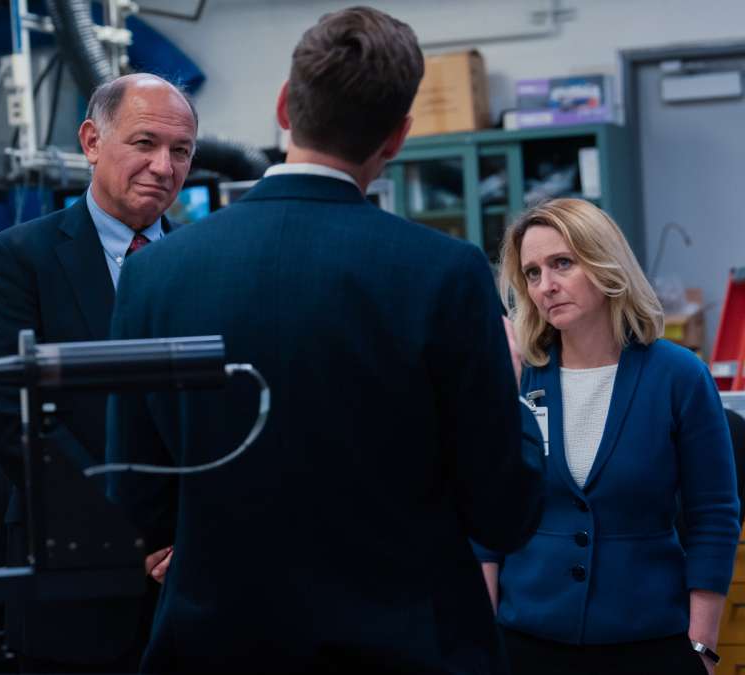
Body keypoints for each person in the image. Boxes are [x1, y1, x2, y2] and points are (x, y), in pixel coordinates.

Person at [104, 7, 545, 674]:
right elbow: (503, 512)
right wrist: (512, 398)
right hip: (407, 651)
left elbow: (135, 496)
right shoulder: (443, 274)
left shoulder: (153, 274)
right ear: (396, 138)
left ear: (285, 106)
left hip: (213, 650)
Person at [0, 72, 197, 670]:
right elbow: (14, 419)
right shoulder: (23, 257)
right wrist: (139, 534)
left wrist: (190, 533)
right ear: (92, 140)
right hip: (75, 561)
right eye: (144, 143)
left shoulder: (206, 261)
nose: (163, 165)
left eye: (180, 151)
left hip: (194, 566)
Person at [478, 198, 739, 675]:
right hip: (527, 641)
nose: (546, 286)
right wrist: (484, 635)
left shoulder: (679, 376)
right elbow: (487, 515)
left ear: (604, 263)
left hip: (649, 641)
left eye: (562, 263)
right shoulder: (517, 377)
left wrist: (702, 646)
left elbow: (714, 516)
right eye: (532, 273)